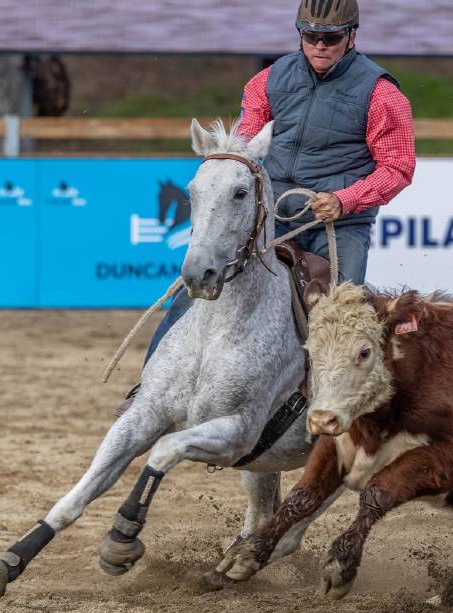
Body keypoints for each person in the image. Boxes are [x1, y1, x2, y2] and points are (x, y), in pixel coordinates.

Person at [121, 0, 416, 412]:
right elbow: (244, 148)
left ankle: (345, 408)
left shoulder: (382, 94)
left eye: (330, 38)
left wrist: (344, 200)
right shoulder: (267, 81)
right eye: (310, 36)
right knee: (201, 281)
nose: (320, 45)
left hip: (341, 223)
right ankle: (149, 385)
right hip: (272, 213)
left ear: (352, 36)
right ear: (299, 34)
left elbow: (398, 167)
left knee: (344, 315)